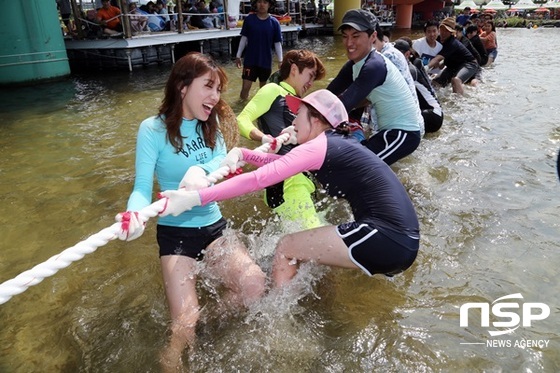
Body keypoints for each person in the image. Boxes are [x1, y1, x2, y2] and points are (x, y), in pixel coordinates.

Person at [159, 89, 420, 288]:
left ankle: (275, 318)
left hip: (385, 236)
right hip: (399, 242)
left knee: (286, 247)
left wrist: (196, 197)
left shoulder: (318, 146)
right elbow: (283, 165)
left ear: (317, 119)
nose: (293, 121)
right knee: (301, 247)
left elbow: (258, 180)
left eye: (300, 114)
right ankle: (296, 300)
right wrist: (246, 154)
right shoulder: (334, 143)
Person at [115, 52, 266, 369]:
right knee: (183, 325)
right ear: (183, 87)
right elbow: (142, 187)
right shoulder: (152, 130)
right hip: (175, 236)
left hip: (214, 228)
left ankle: (207, 320)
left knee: (253, 285)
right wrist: (134, 215)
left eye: (219, 89)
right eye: (208, 87)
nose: (215, 97)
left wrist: (199, 171)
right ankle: (174, 353)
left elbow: (221, 163)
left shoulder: (212, 127)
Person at [237, 49, 326, 230]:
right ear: (294, 69)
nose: (310, 83)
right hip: (289, 182)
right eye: (310, 75)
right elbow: (242, 120)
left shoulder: (301, 103)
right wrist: (263, 138)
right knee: (315, 243)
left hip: (298, 180)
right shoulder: (273, 90)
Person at [327, 9, 422, 165]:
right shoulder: (353, 64)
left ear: (372, 37)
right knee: (353, 162)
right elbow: (329, 93)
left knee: (359, 167)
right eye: (345, 37)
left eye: (356, 36)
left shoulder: (374, 66)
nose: (349, 43)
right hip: (386, 130)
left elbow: (344, 104)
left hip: (403, 133)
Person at [235, 0, 283, 100]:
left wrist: (280, 60)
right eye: (259, 2)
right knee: (245, 89)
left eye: (265, 2)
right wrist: (238, 56)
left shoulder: (274, 23)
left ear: (269, 5)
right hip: (250, 60)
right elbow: (244, 38)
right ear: (255, 4)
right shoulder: (249, 19)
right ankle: (240, 110)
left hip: (265, 62)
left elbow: (277, 43)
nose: (262, 5)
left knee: (264, 90)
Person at [394, 38, 444, 133]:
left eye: (398, 55)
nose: (394, 58)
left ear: (407, 54)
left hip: (433, 115)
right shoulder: (407, 66)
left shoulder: (410, 70)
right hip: (429, 112)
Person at [427, 17, 480, 95]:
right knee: (435, 83)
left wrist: (426, 67)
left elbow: (437, 59)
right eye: (442, 29)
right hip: (452, 66)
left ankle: (459, 103)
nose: (443, 32)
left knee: (455, 80)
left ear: (451, 32)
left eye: (447, 31)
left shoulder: (452, 43)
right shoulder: (437, 39)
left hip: (469, 64)